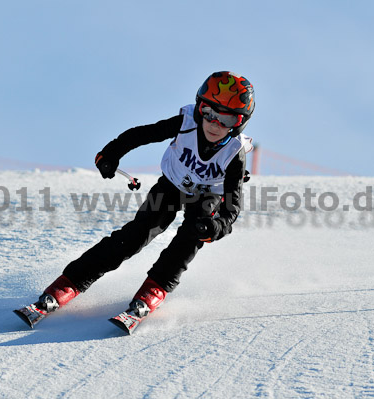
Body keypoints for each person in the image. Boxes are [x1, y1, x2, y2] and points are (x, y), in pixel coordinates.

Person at [35, 71, 254, 320]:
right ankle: (70, 282)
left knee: (191, 237)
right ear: (198, 108)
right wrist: (110, 154)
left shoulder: (235, 152)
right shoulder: (186, 123)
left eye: (226, 119)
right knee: (137, 234)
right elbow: (142, 134)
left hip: (206, 196)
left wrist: (216, 227)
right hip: (171, 185)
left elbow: (232, 207)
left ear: (240, 122)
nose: (214, 124)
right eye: (208, 112)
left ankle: (154, 289)